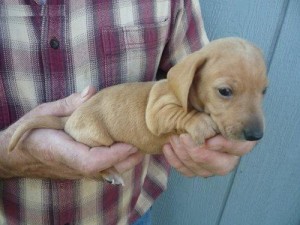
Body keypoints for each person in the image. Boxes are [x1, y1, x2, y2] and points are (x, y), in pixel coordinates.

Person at [0, 0, 255, 224]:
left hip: (127, 214)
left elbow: (204, 75)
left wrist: (215, 147)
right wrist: (6, 158)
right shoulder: (161, 105)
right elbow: (160, 116)